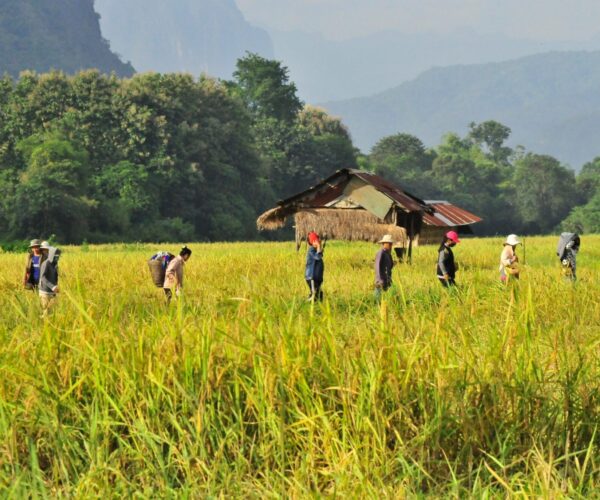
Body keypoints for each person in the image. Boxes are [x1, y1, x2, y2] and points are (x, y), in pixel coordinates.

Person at [38, 241, 61, 316]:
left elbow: (56, 275)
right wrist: (52, 286)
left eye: (58, 256)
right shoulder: (45, 263)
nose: (57, 257)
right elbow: (43, 277)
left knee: (52, 312)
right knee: (46, 312)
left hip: (53, 292)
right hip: (45, 292)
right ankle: (45, 326)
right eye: (55, 256)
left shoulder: (55, 264)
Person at [305, 231, 324, 302]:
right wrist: (319, 246)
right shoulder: (311, 250)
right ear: (313, 242)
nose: (319, 241)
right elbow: (318, 257)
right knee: (314, 294)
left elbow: (320, 255)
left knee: (319, 294)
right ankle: (306, 303)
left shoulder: (316, 250)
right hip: (312, 277)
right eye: (317, 240)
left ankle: (319, 308)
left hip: (317, 278)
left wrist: (319, 247)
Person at [374, 234, 395, 300]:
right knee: (378, 299)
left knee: (386, 299)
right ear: (384, 243)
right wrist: (380, 280)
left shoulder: (388, 254)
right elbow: (377, 267)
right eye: (389, 244)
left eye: (391, 244)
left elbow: (390, 266)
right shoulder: (381, 253)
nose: (391, 246)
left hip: (387, 280)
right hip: (381, 281)